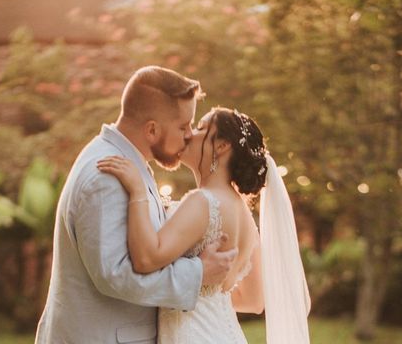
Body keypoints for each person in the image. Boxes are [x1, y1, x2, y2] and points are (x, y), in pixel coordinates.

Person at [35, 66, 237, 344]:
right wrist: (198, 274)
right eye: (183, 126)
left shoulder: (125, 163)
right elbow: (116, 275)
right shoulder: (106, 176)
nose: (189, 135)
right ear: (152, 129)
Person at [97, 107, 311, 343]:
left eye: (200, 128)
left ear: (221, 145)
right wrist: (203, 292)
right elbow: (253, 300)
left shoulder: (204, 202)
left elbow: (147, 258)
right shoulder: (244, 216)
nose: (188, 134)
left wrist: (138, 191)